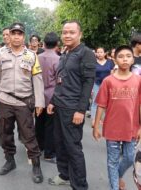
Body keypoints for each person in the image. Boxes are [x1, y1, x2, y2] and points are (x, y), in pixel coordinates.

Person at [0, 22, 45, 183]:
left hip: (24, 103)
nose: (16, 36)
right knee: (4, 133)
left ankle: (36, 165)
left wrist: (40, 102)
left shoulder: (31, 56)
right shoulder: (0, 55)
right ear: (9, 35)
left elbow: (38, 80)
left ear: (23, 36)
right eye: (14, 33)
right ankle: (10, 160)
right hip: (5, 100)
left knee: (29, 136)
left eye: (20, 34)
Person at [47, 20, 96, 190]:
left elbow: (88, 83)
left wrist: (81, 110)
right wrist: (53, 101)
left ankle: (80, 185)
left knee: (73, 148)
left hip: (73, 108)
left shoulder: (86, 53)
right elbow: (62, 81)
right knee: (59, 143)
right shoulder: (66, 53)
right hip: (60, 105)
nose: (67, 35)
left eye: (72, 32)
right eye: (65, 32)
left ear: (80, 34)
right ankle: (64, 175)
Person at [92, 45, 141, 190]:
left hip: (131, 128)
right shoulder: (108, 81)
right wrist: (96, 126)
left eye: (128, 56)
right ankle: (114, 186)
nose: (124, 59)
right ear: (114, 59)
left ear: (133, 59)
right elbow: (101, 105)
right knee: (112, 161)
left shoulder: (138, 81)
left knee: (129, 157)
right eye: (120, 56)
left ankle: (118, 176)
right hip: (112, 128)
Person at [35, 32, 60, 163]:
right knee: (51, 126)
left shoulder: (36, 57)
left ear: (43, 44)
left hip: (38, 95)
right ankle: (49, 153)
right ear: (57, 44)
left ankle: (38, 147)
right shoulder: (58, 60)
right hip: (52, 96)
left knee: (38, 122)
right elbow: (59, 81)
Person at [90, 47, 114, 126]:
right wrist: (91, 87)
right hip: (96, 84)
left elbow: (112, 74)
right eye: (98, 52)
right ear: (96, 53)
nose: (99, 54)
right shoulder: (93, 63)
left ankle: (105, 119)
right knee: (95, 102)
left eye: (101, 52)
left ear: (105, 53)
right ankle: (94, 119)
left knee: (108, 102)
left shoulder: (110, 62)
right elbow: (92, 76)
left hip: (107, 85)